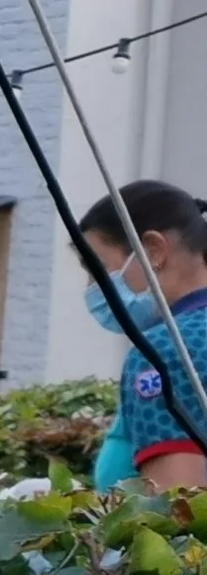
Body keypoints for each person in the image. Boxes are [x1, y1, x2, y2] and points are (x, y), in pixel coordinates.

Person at [84, 181, 207, 490]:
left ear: (153, 251)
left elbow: (177, 512)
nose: (91, 288)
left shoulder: (168, 352)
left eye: (98, 267)